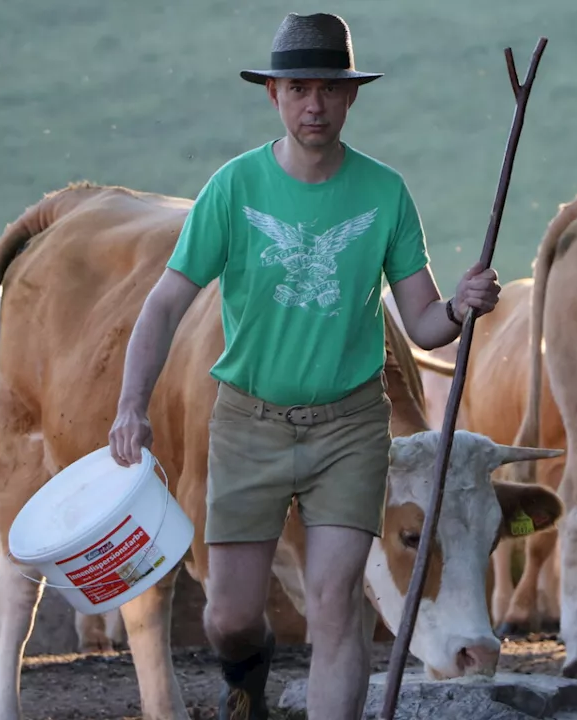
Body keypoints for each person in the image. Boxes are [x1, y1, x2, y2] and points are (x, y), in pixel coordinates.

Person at [108, 11, 501, 720]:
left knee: (335, 603)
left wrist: (464, 305)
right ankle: (247, 674)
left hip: (348, 427)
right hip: (247, 422)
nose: (313, 104)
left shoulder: (384, 194)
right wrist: (131, 402)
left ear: (351, 97)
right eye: (298, 89)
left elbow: (422, 323)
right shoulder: (234, 189)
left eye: (328, 89)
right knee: (227, 615)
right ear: (274, 97)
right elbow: (165, 304)